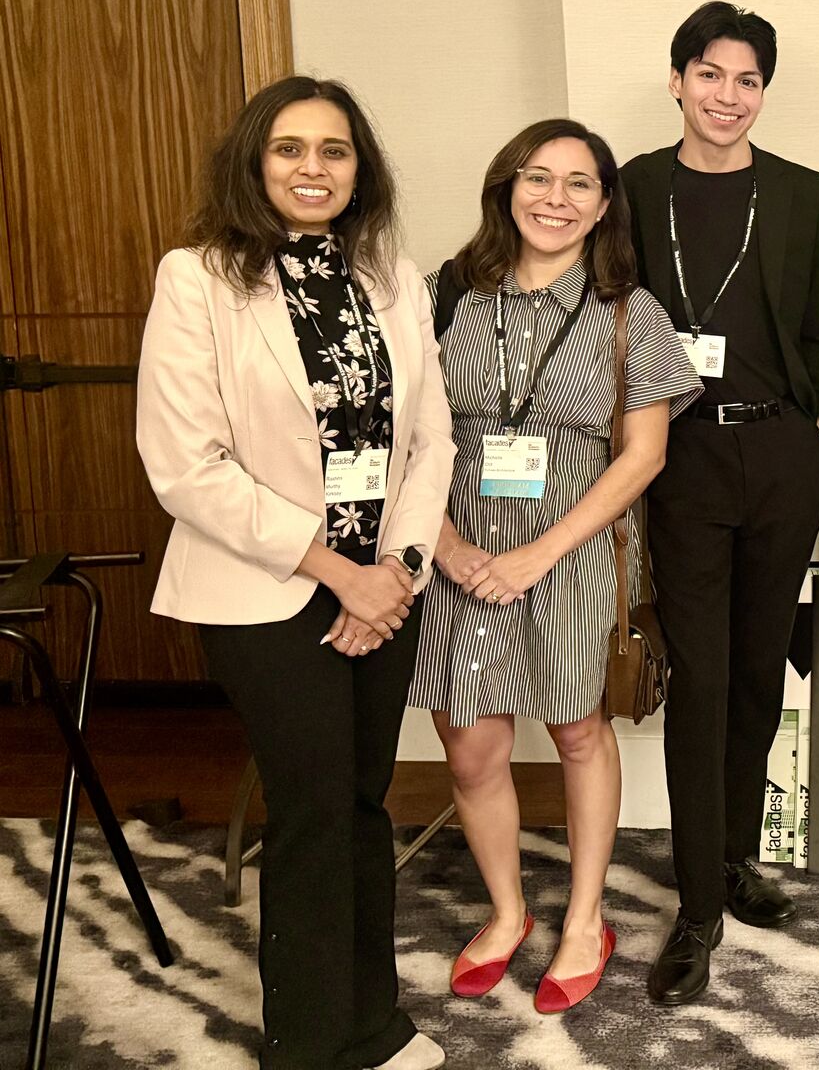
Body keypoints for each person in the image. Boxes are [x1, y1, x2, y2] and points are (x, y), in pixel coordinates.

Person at [135, 78, 454, 1070]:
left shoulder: (393, 278)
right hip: (265, 588)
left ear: (360, 171)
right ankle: (308, 1046)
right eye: (289, 148)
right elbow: (185, 465)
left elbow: (430, 441)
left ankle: (373, 1023)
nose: (312, 168)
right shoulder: (197, 279)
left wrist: (395, 568)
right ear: (254, 161)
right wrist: (335, 571)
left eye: (333, 150)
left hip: (384, 586)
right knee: (314, 807)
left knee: (363, 802)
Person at [409, 120, 700, 1013]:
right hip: (457, 548)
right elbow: (403, 434)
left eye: (580, 184)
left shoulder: (631, 314)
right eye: (538, 178)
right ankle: (507, 913)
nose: (555, 199)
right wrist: (447, 545)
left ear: (604, 205)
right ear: (507, 187)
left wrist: (536, 555)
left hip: (572, 552)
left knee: (578, 730)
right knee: (470, 744)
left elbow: (644, 456)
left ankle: (583, 920)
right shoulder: (444, 297)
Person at [618, 1, 819, 1005]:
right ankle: (696, 906)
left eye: (747, 80)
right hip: (680, 457)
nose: (728, 95)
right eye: (709, 74)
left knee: (759, 669)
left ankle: (736, 858)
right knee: (701, 677)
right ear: (677, 80)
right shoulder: (632, 187)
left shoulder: (802, 193)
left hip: (782, 452)